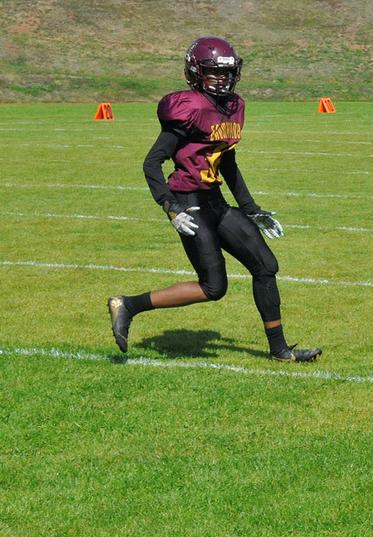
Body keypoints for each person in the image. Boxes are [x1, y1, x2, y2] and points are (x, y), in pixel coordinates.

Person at [108, 36, 321, 363]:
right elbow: (152, 162)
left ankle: (280, 350)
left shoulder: (234, 106)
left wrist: (252, 209)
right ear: (196, 72)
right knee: (213, 288)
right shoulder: (189, 108)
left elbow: (228, 161)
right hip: (187, 201)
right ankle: (128, 305)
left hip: (215, 201)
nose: (222, 79)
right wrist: (171, 208)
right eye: (213, 72)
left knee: (266, 265)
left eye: (227, 72)